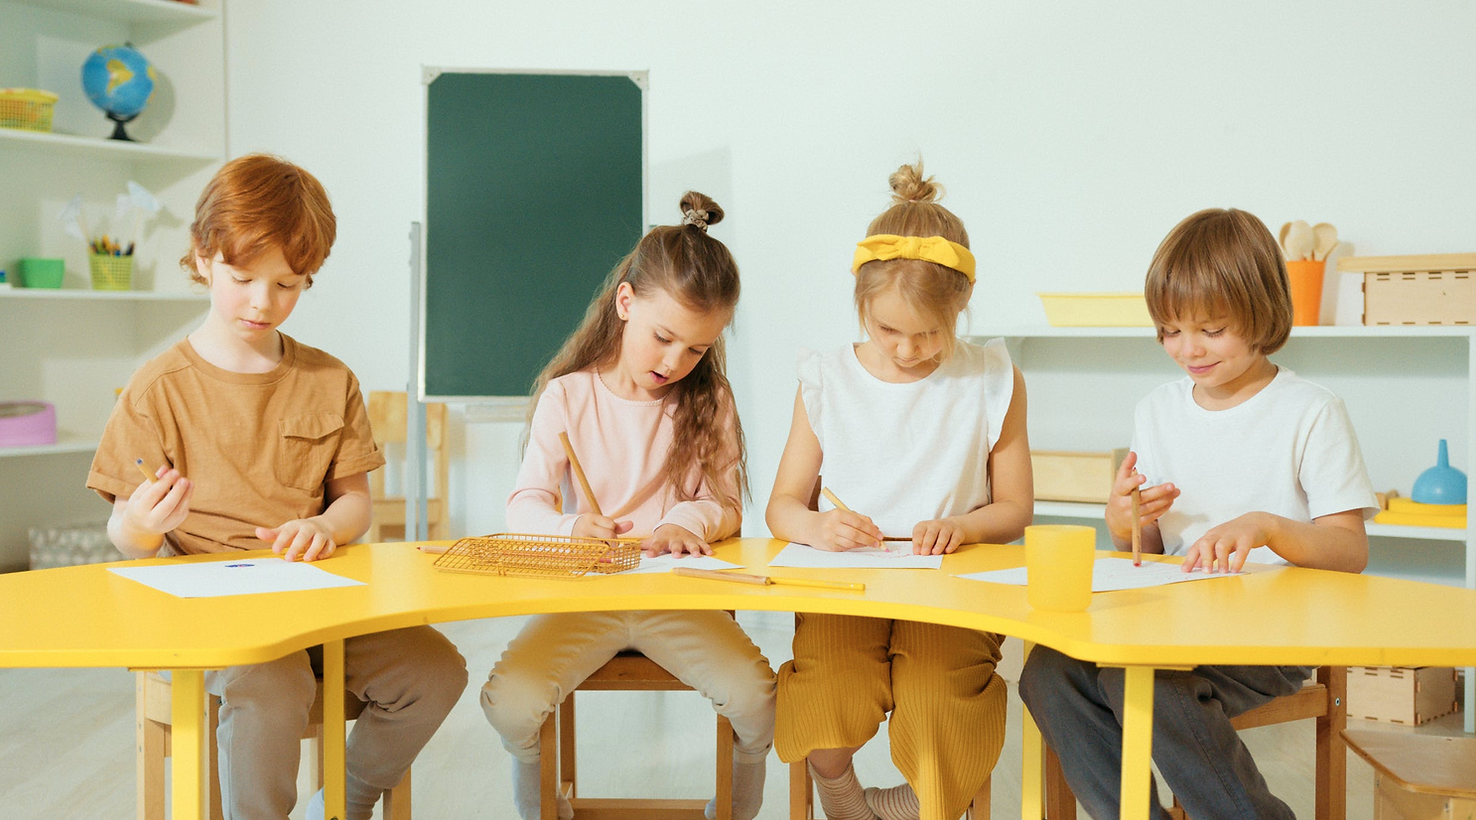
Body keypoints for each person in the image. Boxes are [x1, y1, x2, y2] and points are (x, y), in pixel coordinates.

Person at [86, 153, 468, 820]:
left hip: (319, 602)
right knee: (270, 681)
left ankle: (338, 808)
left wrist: (324, 526)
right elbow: (124, 537)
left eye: (288, 284)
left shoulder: (330, 380)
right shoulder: (158, 387)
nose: (263, 302)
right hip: (212, 615)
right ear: (203, 257)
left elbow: (355, 505)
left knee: (435, 670)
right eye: (243, 278)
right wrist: (143, 525)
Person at [1018, 207, 1378, 820]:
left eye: (1211, 330)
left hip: (1272, 636)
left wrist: (1264, 526)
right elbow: (1151, 546)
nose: (1187, 349)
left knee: (1150, 682)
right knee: (1049, 674)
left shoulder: (1310, 410)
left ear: (1262, 313)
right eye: (1170, 330)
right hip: (1169, 618)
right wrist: (1128, 521)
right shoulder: (1158, 409)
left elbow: (1350, 551)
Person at [480, 192, 775, 820]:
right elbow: (522, 503)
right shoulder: (568, 396)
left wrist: (681, 521)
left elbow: (725, 505)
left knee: (759, 700)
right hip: (587, 596)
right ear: (625, 303)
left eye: (696, 349)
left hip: (677, 599)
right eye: (663, 338)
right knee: (510, 702)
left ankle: (736, 813)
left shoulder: (709, 398)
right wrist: (567, 527)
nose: (675, 363)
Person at [765, 161, 1033, 820]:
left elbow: (1016, 507)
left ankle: (921, 806)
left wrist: (966, 527)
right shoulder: (826, 379)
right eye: (889, 331)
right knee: (829, 689)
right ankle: (844, 798)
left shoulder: (992, 379)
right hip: (846, 582)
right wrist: (816, 529)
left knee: (943, 698)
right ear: (861, 303)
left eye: (929, 334)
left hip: (948, 584)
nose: (909, 350)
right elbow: (782, 506)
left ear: (962, 304)